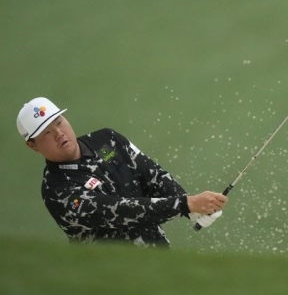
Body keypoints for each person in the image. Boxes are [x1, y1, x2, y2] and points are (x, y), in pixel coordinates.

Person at [17, 96, 227, 247]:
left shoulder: (107, 140)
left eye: (59, 122)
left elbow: (153, 176)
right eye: (47, 133)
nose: (59, 134)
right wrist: (184, 204)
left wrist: (189, 207)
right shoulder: (57, 190)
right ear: (33, 145)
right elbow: (118, 211)